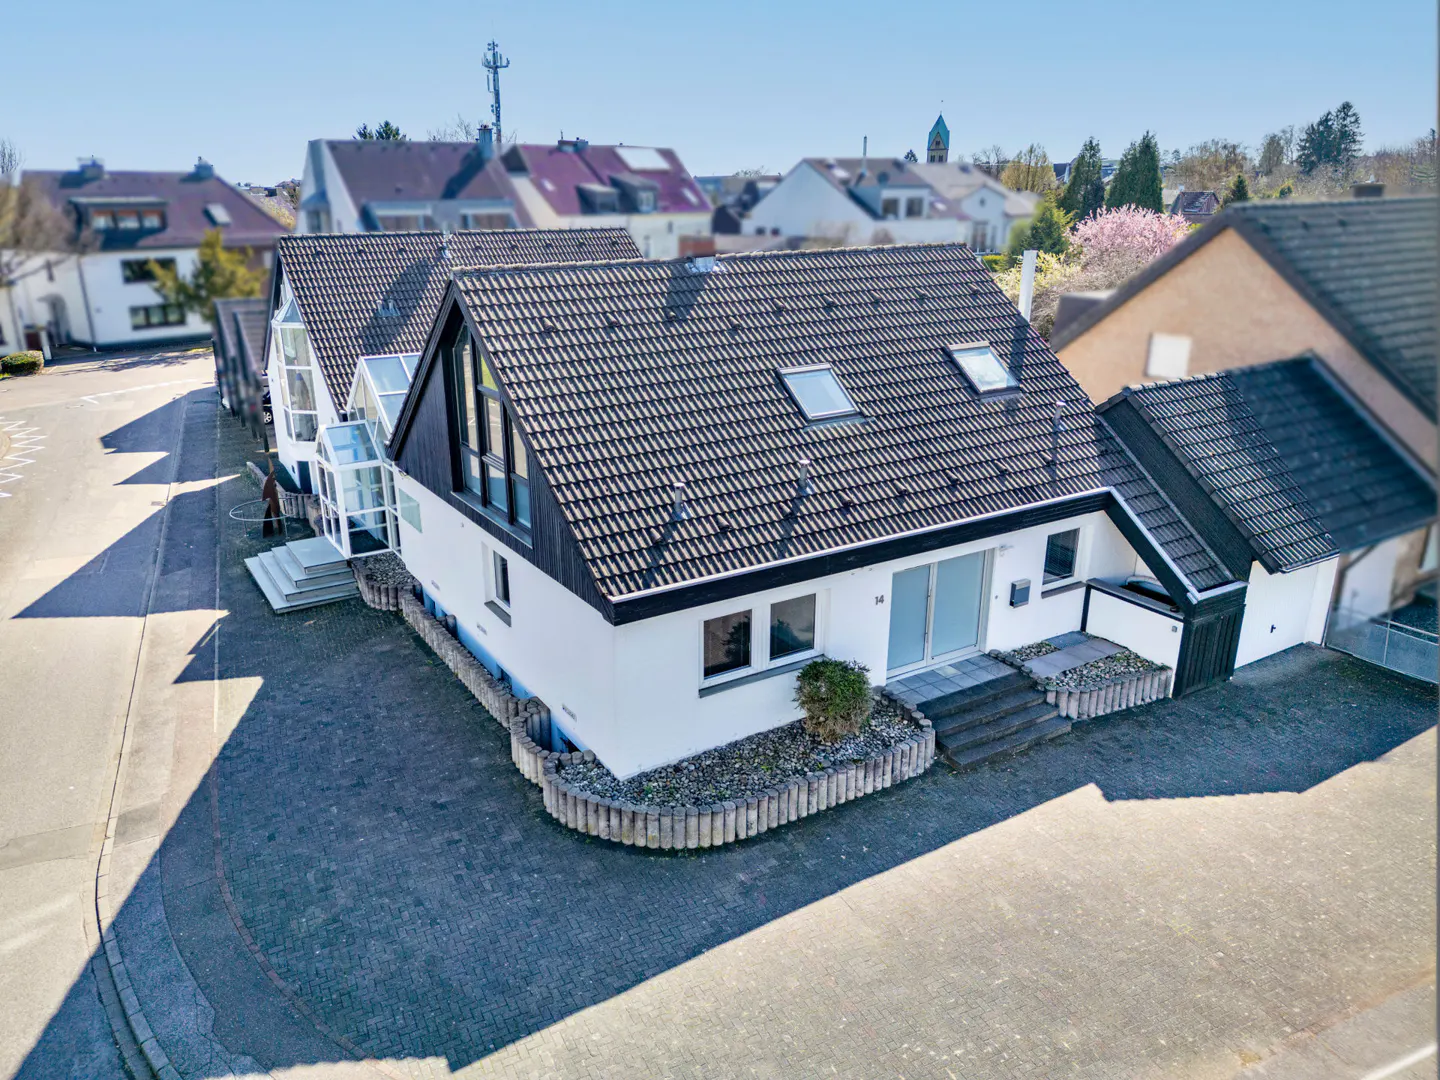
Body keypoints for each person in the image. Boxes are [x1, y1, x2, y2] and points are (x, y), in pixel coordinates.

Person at [261, 460, 283, 538]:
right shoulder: (271, 484)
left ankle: (279, 528)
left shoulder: (272, 484)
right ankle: (277, 529)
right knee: (274, 513)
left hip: (274, 500)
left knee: (276, 513)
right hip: (273, 500)